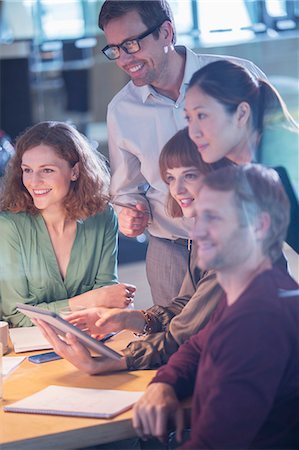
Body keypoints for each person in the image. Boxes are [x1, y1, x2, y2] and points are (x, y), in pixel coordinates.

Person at [98, 0, 266, 306]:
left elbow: (280, 155)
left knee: (255, 339)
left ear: (166, 32)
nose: (123, 59)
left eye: (132, 45)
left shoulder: (239, 77)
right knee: (177, 347)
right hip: (172, 251)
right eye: (114, 49)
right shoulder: (121, 110)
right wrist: (130, 214)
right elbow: (126, 191)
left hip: (244, 241)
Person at [133, 164, 299, 450]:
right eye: (198, 217)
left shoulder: (259, 321)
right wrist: (165, 383)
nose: (198, 232)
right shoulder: (246, 292)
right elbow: (196, 348)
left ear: (259, 226)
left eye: (214, 218)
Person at [36, 128, 230, 373]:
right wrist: (128, 319)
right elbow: (187, 305)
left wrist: (111, 362)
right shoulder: (208, 227)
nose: (177, 189)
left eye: (189, 176)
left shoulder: (233, 244)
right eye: (170, 178)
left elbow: (184, 336)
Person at [0, 121, 135, 327]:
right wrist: (90, 301)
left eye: (47, 170)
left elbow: (109, 299)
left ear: (75, 171)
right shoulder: (9, 227)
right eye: (27, 170)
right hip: (28, 349)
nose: (33, 181)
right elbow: (17, 316)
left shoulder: (103, 216)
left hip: (92, 337)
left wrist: (102, 301)